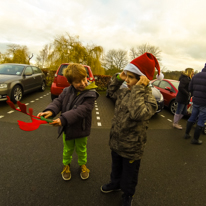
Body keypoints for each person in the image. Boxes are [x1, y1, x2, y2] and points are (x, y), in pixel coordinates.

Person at [100, 53, 163, 206]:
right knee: (116, 167)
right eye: (126, 76)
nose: (126, 80)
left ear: (142, 79)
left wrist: (139, 89)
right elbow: (110, 93)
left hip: (132, 147)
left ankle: (128, 194)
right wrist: (118, 78)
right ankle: (114, 183)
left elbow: (137, 114)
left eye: (130, 77)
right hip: (116, 141)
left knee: (129, 175)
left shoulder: (150, 99)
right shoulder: (125, 91)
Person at [37, 63, 99, 180]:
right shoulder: (66, 91)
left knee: (81, 149)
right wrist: (50, 111)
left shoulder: (91, 93)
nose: (83, 83)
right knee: (67, 149)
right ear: (71, 83)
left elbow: (82, 110)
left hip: (81, 128)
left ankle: (82, 164)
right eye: (78, 82)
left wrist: (63, 119)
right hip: (68, 128)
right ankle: (66, 165)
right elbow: (58, 102)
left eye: (84, 79)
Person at [184, 63, 206, 145]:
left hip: (195, 101)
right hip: (204, 103)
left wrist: (195, 95)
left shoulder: (196, 76)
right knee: (201, 121)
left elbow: (190, 88)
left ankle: (186, 134)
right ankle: (195, 139)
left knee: (192, 117)